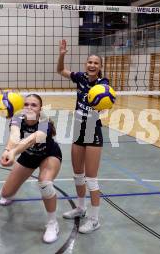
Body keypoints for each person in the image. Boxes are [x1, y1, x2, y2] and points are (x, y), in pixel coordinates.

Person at [57, 39, 109, 234]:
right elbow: (61, 71)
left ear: (100, 67)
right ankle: (80, 207)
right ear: (86, 64)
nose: (92, 65)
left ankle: (95, 219)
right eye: (90, 62)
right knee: (77, 174)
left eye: (96, 63)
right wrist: (62, 53)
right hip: (78, 130)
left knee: (91, 179)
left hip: (93, 131)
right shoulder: (80, 77)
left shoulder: (104, 84)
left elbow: (107, 102)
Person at [0, 94, 62, 244]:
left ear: (40, 109)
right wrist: (7, 150)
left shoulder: (44, 122)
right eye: (26, 104)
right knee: (5, 194)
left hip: (49, 154)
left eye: (34, 105)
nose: (29, 107)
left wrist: (13, 152)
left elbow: (30, 139)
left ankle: (52, 223)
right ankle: (9, 190)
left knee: (45, 184)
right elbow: (15, 135)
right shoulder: (17, 118)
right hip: (29, 156)